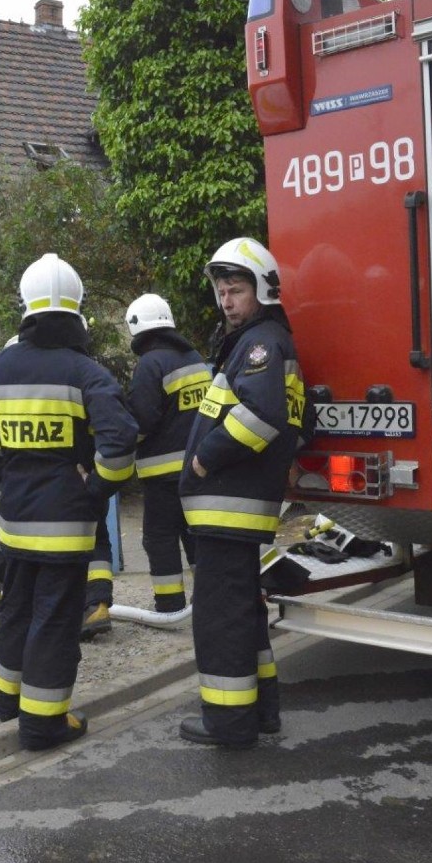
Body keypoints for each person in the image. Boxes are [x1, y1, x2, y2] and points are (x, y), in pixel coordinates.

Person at [0, 253, 137, 751]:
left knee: (18, 611)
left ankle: (7, 702)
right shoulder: (87, 373)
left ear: (26, 306)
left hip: (13, 523)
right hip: (66, 527)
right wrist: (94, 491)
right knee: (54, 621)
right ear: (76, 308)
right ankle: (44, 723)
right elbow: (120, 447)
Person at [178, 237, 310, 748]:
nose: (226, 301)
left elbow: (264, 416)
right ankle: (261, 712)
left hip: (226, 508)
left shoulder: (260, 345)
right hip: (236, 510)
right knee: (244, 612)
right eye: (221, 292)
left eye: (235, 290)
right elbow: (303, 426)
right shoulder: (267, 344)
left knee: (221, 619)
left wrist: (206, 456)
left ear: (264, 291)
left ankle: (229, 723)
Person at [124, 293, 212, 613]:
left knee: (159, 538)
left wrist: (118, 436)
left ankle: (169, 603)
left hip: (163, 474)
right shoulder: (195, 359)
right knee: (195, 535)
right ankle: (208, 599)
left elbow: (142, 421)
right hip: (200, 466)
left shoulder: (151, 364)